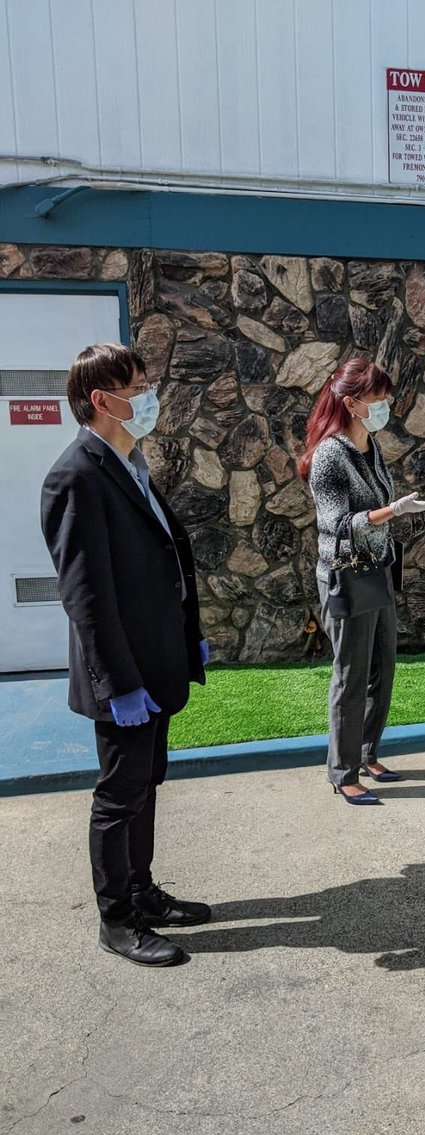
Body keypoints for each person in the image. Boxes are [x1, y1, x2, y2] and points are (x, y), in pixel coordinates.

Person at [41, 343, 210, 966]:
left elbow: (164, 560)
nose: (149, 395)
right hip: (124, 676)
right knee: (118, 796)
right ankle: (117, 920)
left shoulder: (130, 462)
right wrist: (118, 683)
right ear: (101, 399)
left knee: (146, 783)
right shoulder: (76, 476)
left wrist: (187, 633)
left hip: (157, 664)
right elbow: (86, 597)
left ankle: (143, 893)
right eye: (138, 385)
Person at [298, 358, 425, 805]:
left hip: (377, 566)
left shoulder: (371, 446)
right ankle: (342, 771)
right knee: (351, 671)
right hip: (346, 574)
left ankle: (367, 752)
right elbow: (336, 523)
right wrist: (395, 511)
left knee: (383, 664)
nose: (385, 406)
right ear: (350, 402)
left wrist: (395, 513)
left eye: (386, 397)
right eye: (377, 399)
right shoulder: (329, 455)